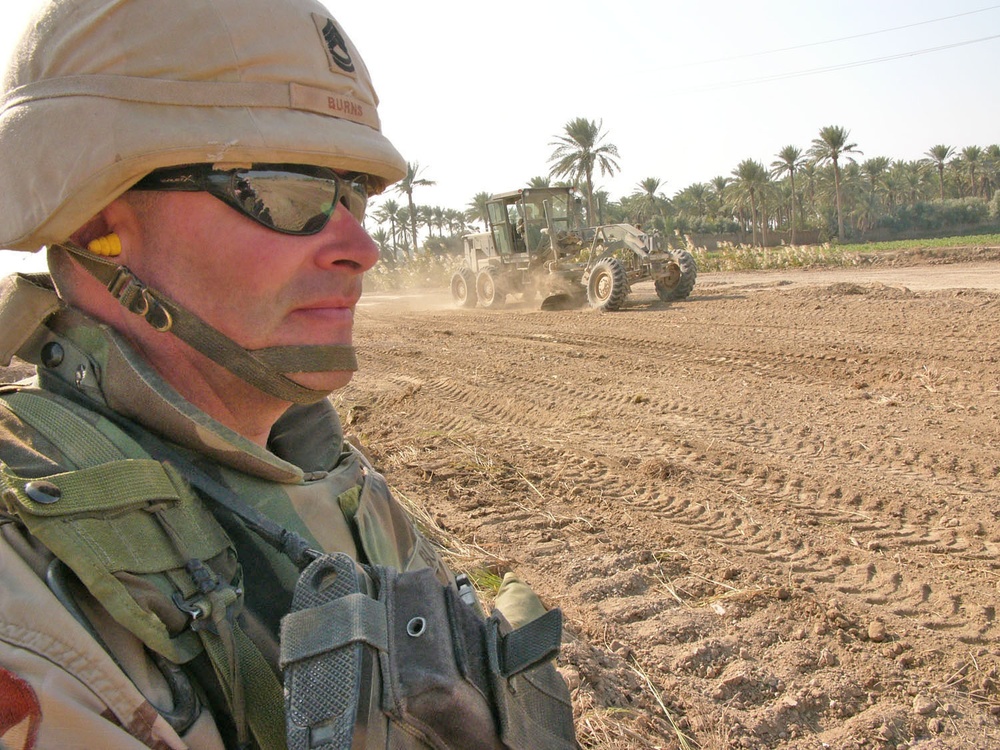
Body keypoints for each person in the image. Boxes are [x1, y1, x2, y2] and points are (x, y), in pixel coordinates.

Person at [0, 2, 576, 749]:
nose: (360, 246)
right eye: (289, 190)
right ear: (93, 224)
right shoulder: (32, 599)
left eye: (356, 194)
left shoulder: (322, 472)